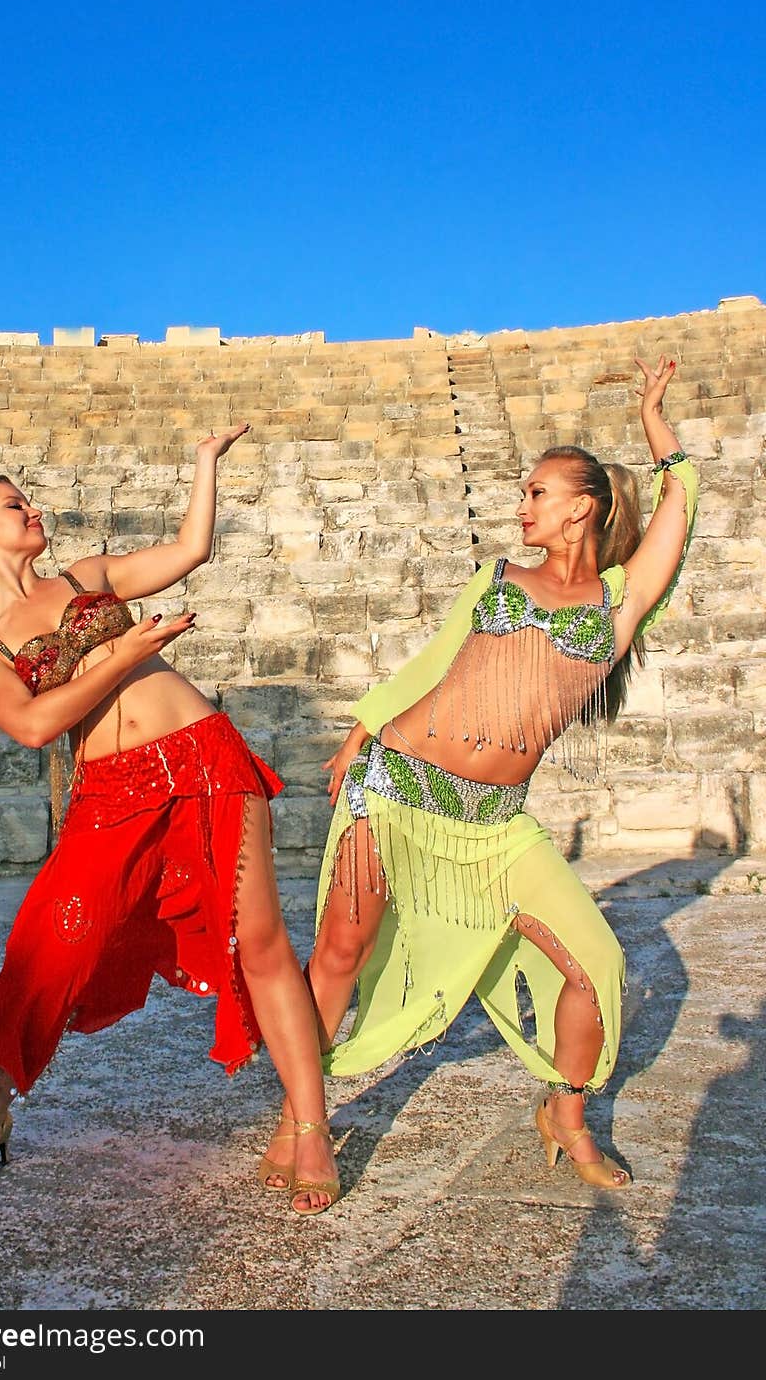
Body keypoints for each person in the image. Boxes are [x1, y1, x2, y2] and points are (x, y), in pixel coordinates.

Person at [261, 354, 697, 1191]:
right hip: (395, 791)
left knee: (596, 967)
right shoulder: (497, 577)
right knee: (341, 952)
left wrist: (655, 422)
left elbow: (683, 501)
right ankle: (300, 1117)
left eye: (537, 492)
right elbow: (432, 661)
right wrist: (362, 729)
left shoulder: (620, 600)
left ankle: (563, 1112)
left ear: (583, 508)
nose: (521, 504)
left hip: (496, 827)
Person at [0, 423, 339, 1216]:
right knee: (49, 947)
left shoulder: (84, 576)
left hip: (203, 758)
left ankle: (310, 1123)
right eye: (15, 504)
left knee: (258, 943)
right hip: (111, 794)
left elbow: (189, 550)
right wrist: (120, 658)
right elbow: (32, 725)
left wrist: (202, 463)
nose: (32, 510)